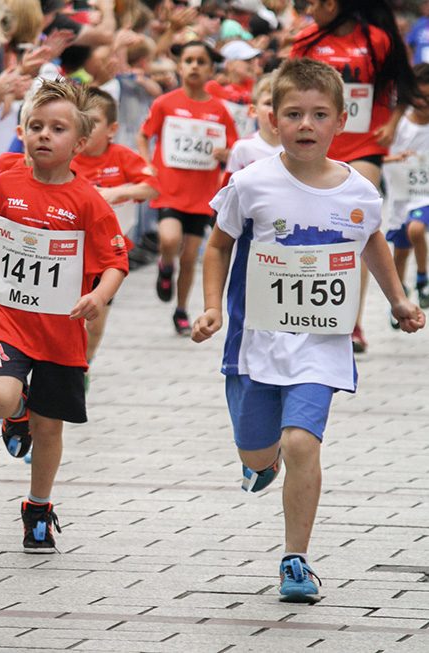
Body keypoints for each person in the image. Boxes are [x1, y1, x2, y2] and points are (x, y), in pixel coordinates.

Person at [191, 58, 425, 603]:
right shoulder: (250, 183)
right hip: (254, 346)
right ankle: (261, 461)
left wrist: (398, 300)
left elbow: (372, 240)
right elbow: (219, 245)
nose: (305, 125)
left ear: (341, 120)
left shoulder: (358, 192)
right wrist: (212, 307)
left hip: (321, 344)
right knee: (258, 454)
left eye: (319, 114)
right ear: (272, 118)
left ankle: (295, 559)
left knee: (302, 443)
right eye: (293, 113)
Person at [0, 80, 128, 553]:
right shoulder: (6, 183)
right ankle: (15, 413)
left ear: (80, 143)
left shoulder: (88, 201)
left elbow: (116, 261)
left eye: (57, 129)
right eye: (35, 126)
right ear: (21, 131)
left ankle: (38, 506)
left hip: (61, 330)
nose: (44, 136)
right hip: (8, 319)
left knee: (50, 427)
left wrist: (99, 297)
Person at [290, 0, 419, 353]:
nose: (307, 9)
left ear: (332, 4)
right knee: (313, 231)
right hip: (314, 145)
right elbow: (286, 90)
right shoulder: (306, 41)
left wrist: (391, 125)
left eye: (312, 3)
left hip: (364, 143)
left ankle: (353, 323)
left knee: (354, 228)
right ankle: (306, 313)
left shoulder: (377, 39)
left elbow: (401, 85)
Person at [136, 40, 237, 336]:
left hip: (201, 194)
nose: (194, 66)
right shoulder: (165, 103)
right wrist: (146, 165)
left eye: (200, 61)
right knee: (169, 239)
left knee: (191, 256)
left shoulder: (219, 109)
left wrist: (226, 153)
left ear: (210, 70)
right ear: (179, 67)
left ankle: (181, 310)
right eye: (189, 60)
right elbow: (144, 136)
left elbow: (233, 146)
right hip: (169, 188)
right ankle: (165, 264)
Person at [71, 86, 157, 370]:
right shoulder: (65, 155)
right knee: (62, 318)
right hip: (67, 254)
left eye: (93, 122)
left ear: (111, 129)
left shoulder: (121, 156)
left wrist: (117, 193)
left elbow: (152, 187)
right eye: (79, 118)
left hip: (106, 258)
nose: (85, 127)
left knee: (94, 323)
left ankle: (85, 364)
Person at [382, 63, 429, 309]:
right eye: (420, 98)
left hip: (425, 195)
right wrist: (396, 159)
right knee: (400, 251)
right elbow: (380, 157)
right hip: (401, 194)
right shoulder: (400, 125)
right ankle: (399, 297)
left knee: (416, 230)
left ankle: (422, 277)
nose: (424, 104)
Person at [222, 71, 282, 186]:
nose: (274, 110)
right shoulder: (242, 148)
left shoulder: (297, 148)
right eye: (268, 103)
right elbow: (228, 193)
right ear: (253, 111)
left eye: (280, 103)